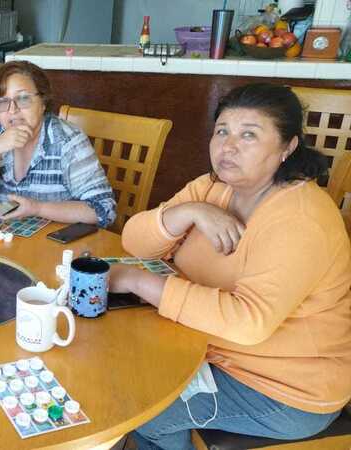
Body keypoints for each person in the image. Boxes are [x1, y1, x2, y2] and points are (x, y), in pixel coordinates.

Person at [109, 83, 351, 449]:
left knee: (144, 408)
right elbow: (135, 242)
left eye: (249, 135)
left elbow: (248, 322)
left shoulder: (300, 218)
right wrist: (188, 211)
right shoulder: (212, 188)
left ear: (287, 147)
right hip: (207, 349)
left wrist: (140, 283)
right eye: (222, 131)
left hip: (283, 388)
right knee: (120, 365)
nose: (228, 146)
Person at [0, 60, 116, 227]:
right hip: (8, 238)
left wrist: (37, 208)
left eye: (23, 98)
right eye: (2, 101)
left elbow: (103, 210)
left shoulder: (67, 141)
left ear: (43, 103)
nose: (12, 110)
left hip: (57, 241)